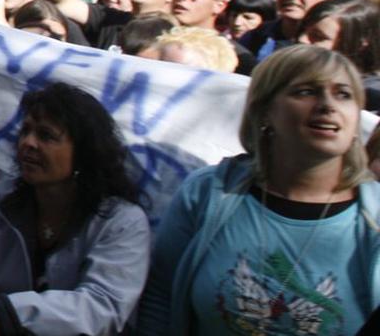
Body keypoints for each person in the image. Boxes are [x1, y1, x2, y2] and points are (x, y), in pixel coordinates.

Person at [140, 45, 380, 335]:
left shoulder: (373, 219)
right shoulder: (207, 192)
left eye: (343, 94)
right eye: (306, 91)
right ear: (264, 110)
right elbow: (160, 299)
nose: (328, 105)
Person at [0, 82, 150, 336]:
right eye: (26, 131)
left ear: (84, 153)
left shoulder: (122, 222)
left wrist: (8, 314)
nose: (28, 143)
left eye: (46, 136)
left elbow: (101, 306)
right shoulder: (2, 197)